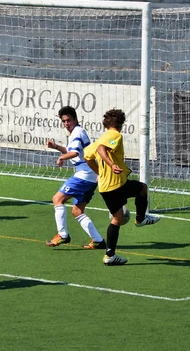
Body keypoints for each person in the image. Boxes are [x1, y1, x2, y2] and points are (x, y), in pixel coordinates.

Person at [84, 109, 159, 266]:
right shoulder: (115, 135)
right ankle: (141, 218)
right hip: (116, 184)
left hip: (104, 187)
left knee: (117, 218)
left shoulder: (101, 138)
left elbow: (87, 156)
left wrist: (99, 172)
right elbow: (101, 150)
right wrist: (112, 165)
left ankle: (110, 255)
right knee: (143, 188)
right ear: (121, 123)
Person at [45, 106, 106, 249]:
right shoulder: (76, 133)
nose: (66, 124)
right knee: (77, 211)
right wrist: (56, 147)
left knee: (57, 199)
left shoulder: (77, 132)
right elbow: (70, 150)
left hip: (84, 174)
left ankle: (63, 235)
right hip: (90, 175)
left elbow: (74, 154)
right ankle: (98, 240)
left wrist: (61, 157)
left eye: (69, 120)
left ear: (75, 119)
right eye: (64, 121)